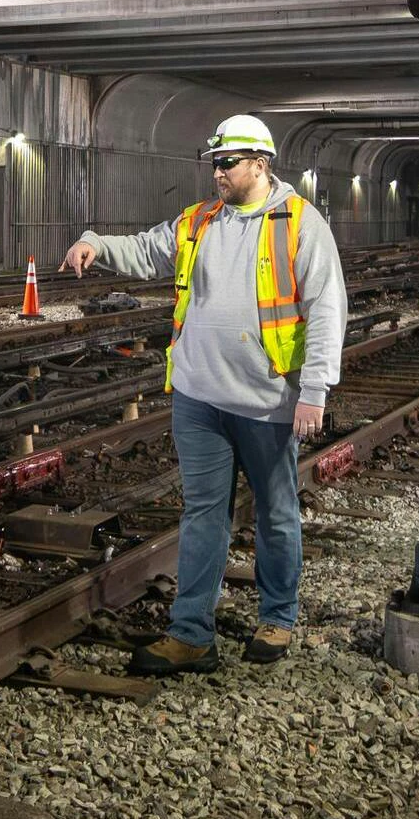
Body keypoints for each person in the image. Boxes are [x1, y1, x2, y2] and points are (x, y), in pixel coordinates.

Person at [60, 113, 346, 675]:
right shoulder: (198, 221)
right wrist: (94, 242)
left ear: (260, 165)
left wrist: (314, 389)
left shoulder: (298, 223)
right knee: (202, 515)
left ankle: (278, 616)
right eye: (214, 163)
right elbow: (146, 251)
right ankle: (191, 633)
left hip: (267, 401)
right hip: (198, 398)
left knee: (277, 514)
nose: (216, 172)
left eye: (226, 163)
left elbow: (327, 307)